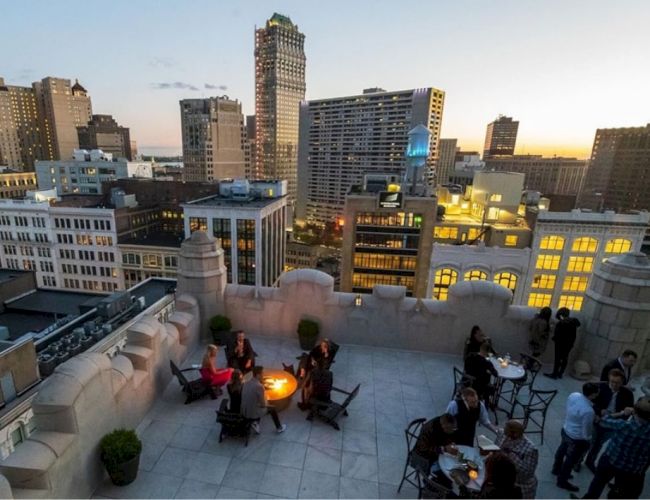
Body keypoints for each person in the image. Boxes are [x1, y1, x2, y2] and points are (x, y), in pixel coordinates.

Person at [582, 396, 650, 499]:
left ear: (635, 411)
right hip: (632, 469)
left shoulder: (624, 425)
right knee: (620, 492)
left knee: (598, 483)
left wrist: (622, 413)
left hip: (611, 460)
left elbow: (602, 420)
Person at [584, 368, 634, 473]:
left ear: (622, 382)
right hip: (599, 419)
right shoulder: (600, 388)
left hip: (614, 423)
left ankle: (590, 461)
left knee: (600, 443)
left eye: (618, 383)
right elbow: (590, 402)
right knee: (591, 441)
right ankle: (578, 462)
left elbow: (629, 409)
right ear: (609, 379)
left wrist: (620, 417)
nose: (614, 385)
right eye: (612, 382)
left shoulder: (627, 394)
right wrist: (599, 411)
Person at [552, 382, 600, 492]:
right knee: (571, 460)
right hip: (577, 438)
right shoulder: (588, 411)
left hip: (566, 429)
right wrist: (588, 439)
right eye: (596, 393)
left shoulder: (574, 395)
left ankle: (556, 469)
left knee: (562, 450)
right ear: (592, 395)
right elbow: (586, 430)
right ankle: (562, 481)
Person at [495, 420, 538, 499]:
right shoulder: (502, 434)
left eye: (507, 434)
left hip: (521, 485)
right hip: (502, 479)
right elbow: (496, 450)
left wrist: (509, 455)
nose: (505, 437)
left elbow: (526, 473)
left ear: (515, 434)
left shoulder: (531, 449)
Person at [241, 365, 286, 434]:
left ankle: (255, 423)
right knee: (272, 408)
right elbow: (263, 405)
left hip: (244, 411)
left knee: (256, 403)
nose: (263, 375)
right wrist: (266, 398)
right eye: (262, 374)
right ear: (258, 375)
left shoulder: (246, 383)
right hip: (252, 413)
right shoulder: (259, 386)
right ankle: (279, 428)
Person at [544, 307, 580, 379]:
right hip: (569, 344)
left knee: (558, 359)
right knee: (565, 358)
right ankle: (560, 373)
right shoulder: (573, 322)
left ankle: (554, 374)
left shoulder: (561, 323)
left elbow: (558, 335)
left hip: (560, 344)